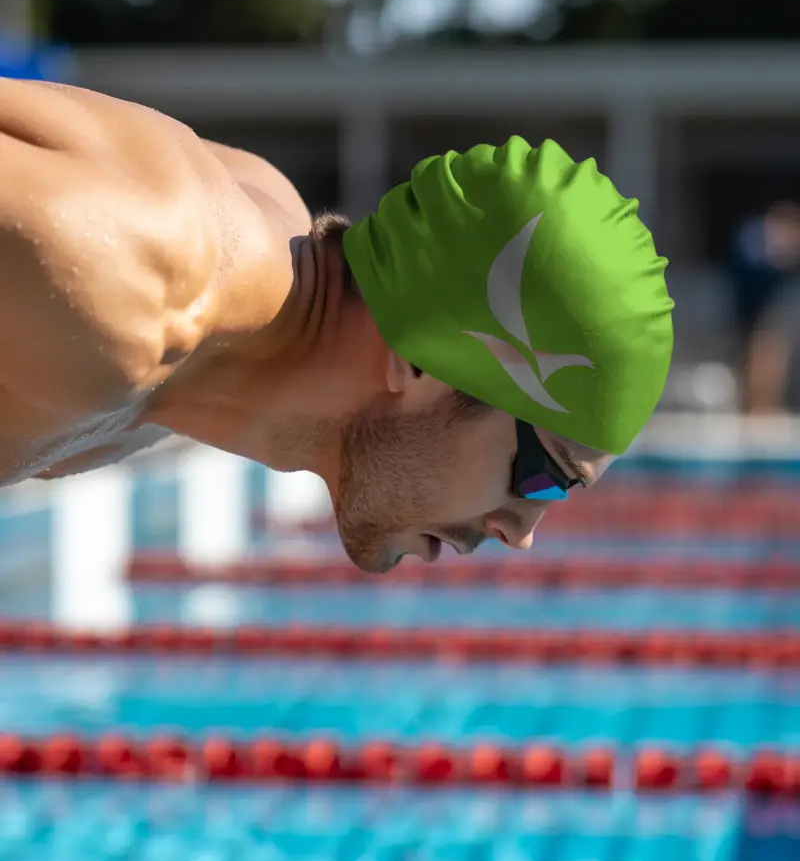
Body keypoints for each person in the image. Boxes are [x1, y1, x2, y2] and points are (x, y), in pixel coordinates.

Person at [0, 79, 674, 572]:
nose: (521, 532)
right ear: (423, 361)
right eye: (542, 475)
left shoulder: (195, 346)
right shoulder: (123, 284)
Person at [729, 200, 800, 414]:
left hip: (770, 318)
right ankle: (757, 407)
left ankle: (765, 406)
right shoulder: (751, 240)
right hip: (752, 317)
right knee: (759, 360)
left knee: (772, 358)